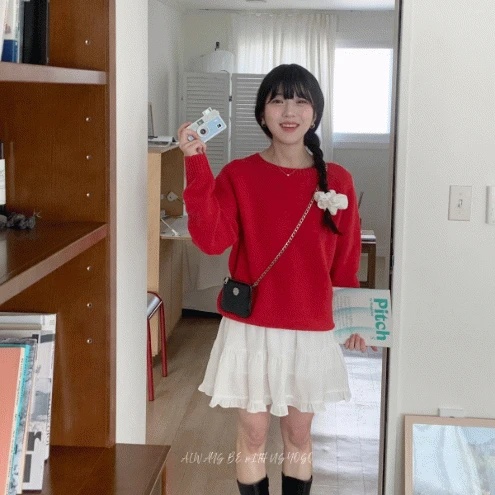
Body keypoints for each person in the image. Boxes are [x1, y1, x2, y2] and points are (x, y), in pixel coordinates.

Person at [177, 63, 375, 495]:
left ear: (315, 113)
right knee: (251, 435)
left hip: (311, 327)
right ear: (262, 113)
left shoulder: (337, 179)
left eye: (301, 101)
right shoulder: (239, 174)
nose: (289, 111)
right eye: (278, 100)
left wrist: (356, 319)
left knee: (299, 436)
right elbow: (211, 240)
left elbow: (345, 261)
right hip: (252, 326)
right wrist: (195, 163)